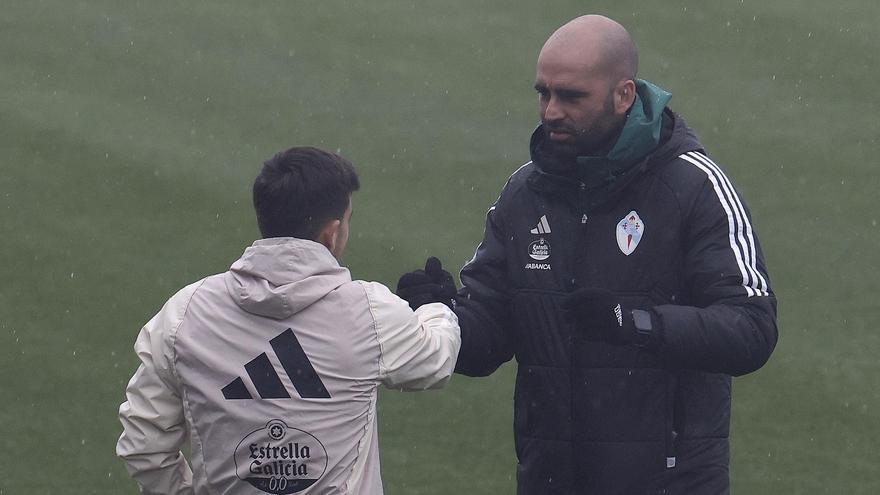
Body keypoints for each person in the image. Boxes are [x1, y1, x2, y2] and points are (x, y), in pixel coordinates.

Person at [396, 14, 777, 495]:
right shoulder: (525, 193)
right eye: (543, 93)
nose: (551, 110)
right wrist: (442, 314)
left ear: (623, 96)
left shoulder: (693, 187)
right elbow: (491, 337)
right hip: (551, 480)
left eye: (571, 96)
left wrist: (640, 323)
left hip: (669, 483)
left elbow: (752, 328)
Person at [117, 146, 461, 495]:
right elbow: (435, 361)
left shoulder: (184, 314)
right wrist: (434, 306)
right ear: (332, 232)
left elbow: (143, 445)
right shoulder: (370, 312)